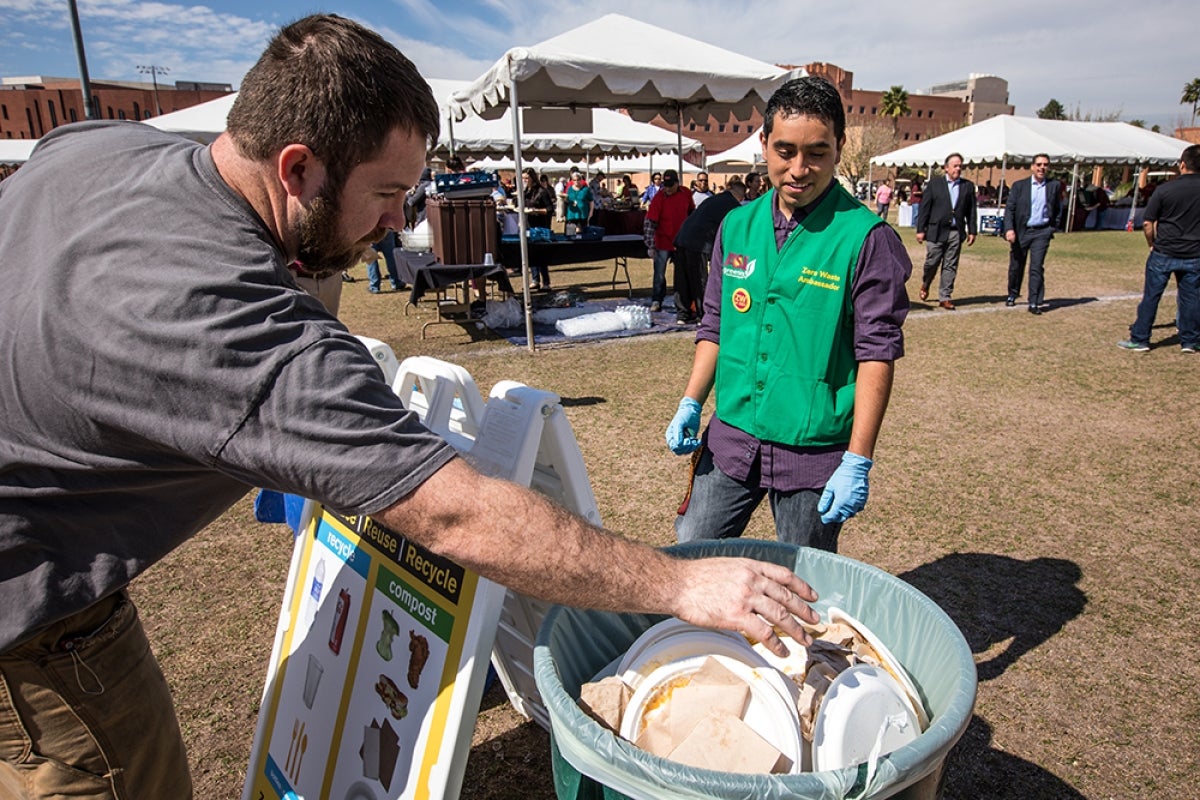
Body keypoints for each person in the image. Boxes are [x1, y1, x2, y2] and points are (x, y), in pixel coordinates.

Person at [0, 15, 823, 798]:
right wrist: (679, 586)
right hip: (30, 611)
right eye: (389, 193)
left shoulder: (92, 144)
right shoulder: (234, 324)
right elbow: (455, 519)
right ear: (297, 168)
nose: (402, 220)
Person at [665, 76, 911, 552]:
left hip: (812, 451)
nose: (799, 169)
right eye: (785, 150)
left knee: (804, 578)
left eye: (817, 152)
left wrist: (858, 459)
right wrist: (692, 401)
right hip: (732, 436)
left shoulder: (867, 239)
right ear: (764, 144)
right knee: (692, 549)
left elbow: (876, 354)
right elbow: (715, 323)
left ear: (839, 148)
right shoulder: (737, 224)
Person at [1117, 144, 1200, 353]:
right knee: (1191, 297)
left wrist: (1151, 243)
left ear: (1182, 164)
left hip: (1164, 251)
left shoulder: (1165, 189)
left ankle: (1141, 338)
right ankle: (1190, 340)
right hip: (1194, 253)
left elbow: (1148, 222)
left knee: (1151, 296)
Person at [671, 178, 746, 323]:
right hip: (699, 242)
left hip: (682, 237)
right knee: (699, 279)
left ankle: (683, 313)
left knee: (682, 278)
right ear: (741, 196)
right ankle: (703, 314)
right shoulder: (732, 205)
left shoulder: (714, 199)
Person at [915, 153, 977, 310]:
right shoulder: (935, 184)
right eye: (955, 165)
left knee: (950, 265)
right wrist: (921, 229)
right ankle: (926, 283)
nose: (958, 168)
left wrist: (972, 231)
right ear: (946, 168)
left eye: (960, 166)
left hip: (956, 232)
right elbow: (925, 208)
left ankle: (945, 296)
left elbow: (971, 211)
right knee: (932, 262)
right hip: (936, 231)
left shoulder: (967, 186)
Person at [1003, 154, 1064, 314]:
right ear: (1032, 167)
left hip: (1042, 231)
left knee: (1036, 267)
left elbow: (1058, 208)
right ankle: (1012, 293)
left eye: (1045, 165)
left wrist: (1052, 228)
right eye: (1039, 164)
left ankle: (1034, 301)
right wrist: (1009, 229)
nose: (1042, 167)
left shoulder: (1054, 186)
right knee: (1016, 265)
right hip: (1021, 231)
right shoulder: (1019, 186)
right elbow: (1010, 209)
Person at [644, 168, 695, 312]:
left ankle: (682, 302)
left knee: (681, 274)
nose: (667, 188)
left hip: (681, 241)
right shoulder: (659, 198)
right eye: (665, 185)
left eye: (670, 185)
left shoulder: (685, 193)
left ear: (677, 183)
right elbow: (649, 222)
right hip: (662, 242)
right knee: (659, 273)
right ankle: (656, 299)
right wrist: (651, 246)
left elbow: (691, 212)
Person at [366, 229, 405, 294]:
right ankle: (396, 282)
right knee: (391, 257)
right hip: (386, 230)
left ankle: (374, 286)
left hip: (370, 231)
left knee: (371, 258)